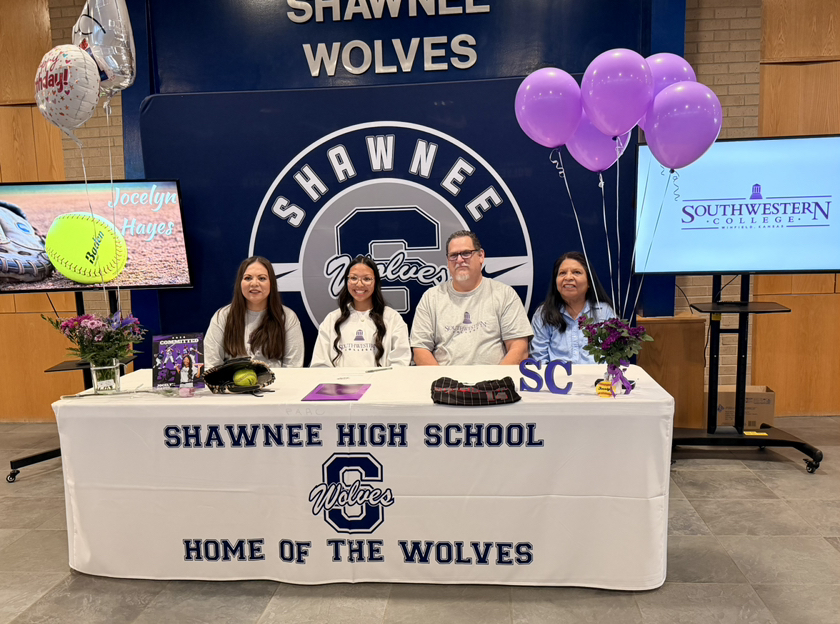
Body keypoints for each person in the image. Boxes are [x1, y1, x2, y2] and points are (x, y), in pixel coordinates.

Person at [410, 230, 532, 366]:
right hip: (444, 384)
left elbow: (519, 349)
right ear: (447, 261)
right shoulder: (431, 298)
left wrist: (496, 383)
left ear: (481, 256)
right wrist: (443, 383)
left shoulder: (504, 294)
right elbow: (420, 350)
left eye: (466, 253)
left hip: (494, 383)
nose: (460, 260)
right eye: (453, 255)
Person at [311, 255, 411, 368]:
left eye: (367, 279)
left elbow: (401, 362)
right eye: (353, 278)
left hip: (383, 385)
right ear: (347, 281)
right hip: (340, 385)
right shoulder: (332, 319)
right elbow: (320, 365)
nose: (359, 284)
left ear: (376, 282)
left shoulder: (392, 318)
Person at [205, 256, 305, 368]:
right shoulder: (222, 316)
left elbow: (293, 368)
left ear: (271, 283)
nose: (254, 283)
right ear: (240, 283)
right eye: (248, 278)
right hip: (231, 385)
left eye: (262, 278)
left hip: (278, 385)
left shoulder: (287, 317)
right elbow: (211, 365)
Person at [530, 251, 616, 364]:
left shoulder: (604, 312)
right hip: (556, 380)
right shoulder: (544, 314)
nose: (568, 277)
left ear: (589, 282)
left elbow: (614, 355)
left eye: (576, 272)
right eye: (562, 273)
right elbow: (539, 358)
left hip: (597, 380)